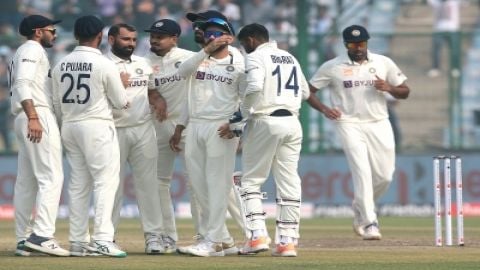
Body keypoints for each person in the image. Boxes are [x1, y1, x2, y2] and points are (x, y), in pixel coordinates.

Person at [308, 25, 410, 240]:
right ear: (346, 45)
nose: (358, 48)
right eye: (354, 44)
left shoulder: (383, 62)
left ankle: (360, 207)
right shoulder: (332, 66)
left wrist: (389, 88)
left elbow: (405, 92)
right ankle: (370, 222)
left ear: (367, 43)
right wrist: (325, 109)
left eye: (362, 43)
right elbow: (308, 91)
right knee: (362, 171)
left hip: (379, 121)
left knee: (384, 175)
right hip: (348, 123)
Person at [51, 15, 129, 257]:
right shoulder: (105, 64)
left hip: (70, 125)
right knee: (106, 182)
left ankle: (77, 241)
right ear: (100, 36)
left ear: (75, 35)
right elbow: (121, 102)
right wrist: (123, 84)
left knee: (78, 184)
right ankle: (103, 239)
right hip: (96, 125)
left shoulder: (60, 64)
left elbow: (55, 103)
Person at [170, 16, 245, 257]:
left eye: (217, 33)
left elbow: (248, 99)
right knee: (199, 185)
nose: (211, 36)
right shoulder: (199, 58)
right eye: (208, 32)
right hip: (196, 126)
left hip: (220, 127)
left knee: (218, 184)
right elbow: (183, 73)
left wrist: (237, 125)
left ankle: (213, 242)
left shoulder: (239, 62)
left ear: (229, 37)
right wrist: (181, 126)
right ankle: (224, 240)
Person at [234, 23, 311, 257]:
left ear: (251, 39)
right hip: (292, 123)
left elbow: (255, 86)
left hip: (265, 120)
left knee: (250, 182)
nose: (244, 48)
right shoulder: (290, 57)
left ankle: (257, 236)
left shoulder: (256, 56)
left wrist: (241, 116)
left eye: (244, 44)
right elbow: (306, 93)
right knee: (289, 182)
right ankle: (287, 242)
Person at [9, 14, 69, 257]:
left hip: (24, 115)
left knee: (27, 182)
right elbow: (22, 83)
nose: (54, 34)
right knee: (51, 177)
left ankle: (23, 238)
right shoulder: (32, 49)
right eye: (51, 30)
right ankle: (42, 235)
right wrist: (34, 117)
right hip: (35, 114)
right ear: (37, 32)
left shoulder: (25, 50)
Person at [106, 23, 164, 255]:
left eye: (133, 39)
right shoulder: (103, 64)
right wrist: (117, 86)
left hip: (143, 130)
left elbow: (150, 91)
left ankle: (154, 237)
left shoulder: (143, 63)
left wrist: (158, 99)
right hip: (113, 130)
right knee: (112, 187)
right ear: (111, 40)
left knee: (149, 186)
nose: (130, 44)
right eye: (125, 39)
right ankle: (106, 237)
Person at [144, 18, 200, 254]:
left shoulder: (189, 57)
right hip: (158, 126)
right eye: (153, 36)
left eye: (161, 36)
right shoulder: (144, 62)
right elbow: (141, 87)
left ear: (174, 39)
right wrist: (154, 94)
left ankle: (204, 236)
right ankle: (167, 237)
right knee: (158, 183)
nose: (154, 40)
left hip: (186, 125)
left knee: (197, 182)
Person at [427, 0, 460, 77]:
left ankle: (454, 68)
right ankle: (436, 68)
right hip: (439, 29)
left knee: (454, 50)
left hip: (453, 29)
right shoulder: (435, 2)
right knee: (436, 50)